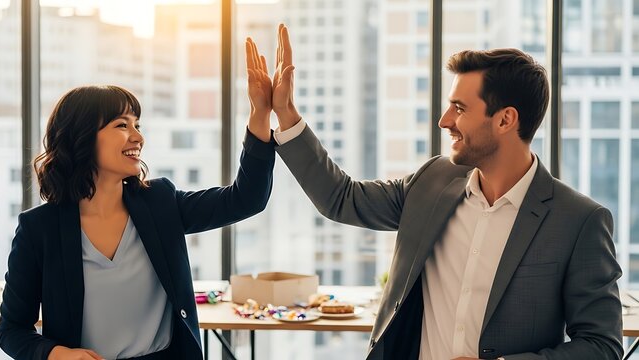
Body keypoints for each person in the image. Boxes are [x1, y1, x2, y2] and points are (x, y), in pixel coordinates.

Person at [255, 24, 623, 359]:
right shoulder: (433, 181)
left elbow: (601, 346)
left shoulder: (579, 221)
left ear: (505, 119)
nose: (444, 121)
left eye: (459, 109)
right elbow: (342, 199)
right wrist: (286, 113)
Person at [0, 40, 275, 360]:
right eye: (122, 125)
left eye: (137, 125)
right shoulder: (38, 229)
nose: (138, 137)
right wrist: (57, 354)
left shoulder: (160, 203)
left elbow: (246, 199)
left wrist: (259, 115)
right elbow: (12, 329)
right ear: (82, 138)